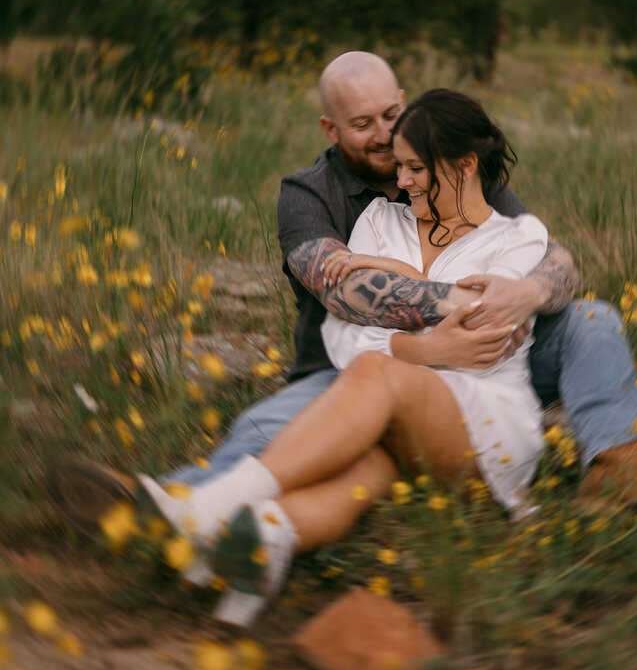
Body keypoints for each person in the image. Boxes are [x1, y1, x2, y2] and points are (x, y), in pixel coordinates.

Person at [48, 52, 637, 550]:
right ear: (330, 127)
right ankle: (164, 509)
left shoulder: (449, 168)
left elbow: (548, 256)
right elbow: (343, 289)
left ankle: (620, 468)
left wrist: (524, 290)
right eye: (362, 125)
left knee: (592, 319)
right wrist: (448, 320)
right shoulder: (310, 193)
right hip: (344, 364)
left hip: (477, 364)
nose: (384, 137)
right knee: (272, 430)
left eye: (390, 116)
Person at [137, 89, 551, 626]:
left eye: (416, 169)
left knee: (377, 370)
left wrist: (383, 273)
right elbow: (342, 332)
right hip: (396, 420)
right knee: (366, 467)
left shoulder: (519, 237)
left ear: (466, 165)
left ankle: (207, 509)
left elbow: (486, 327)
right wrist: (424, 347)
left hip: (485, 426)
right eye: (399, 167)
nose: (401, 182)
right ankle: (263, 543)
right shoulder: (381, 219)